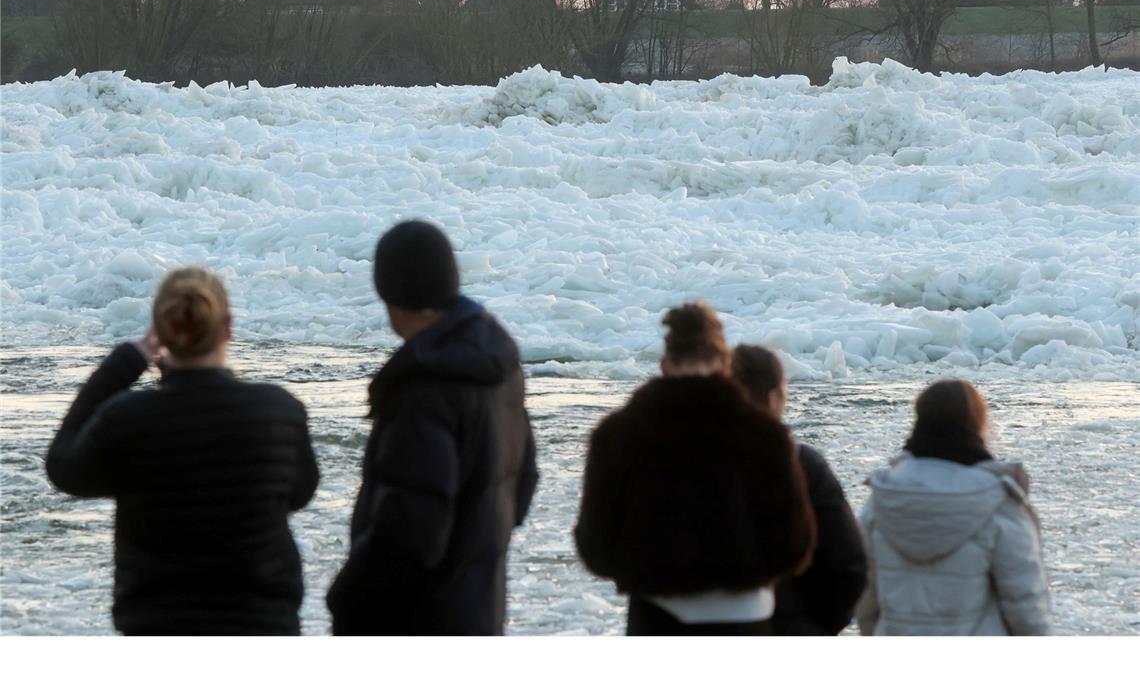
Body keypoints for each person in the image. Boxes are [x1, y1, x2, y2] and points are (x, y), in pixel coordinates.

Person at [46, 266, 319, 635]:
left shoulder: (127, 418)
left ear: (161, 331)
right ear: (228, 328)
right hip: (262, 620)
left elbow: (63, 467)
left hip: (157, 623)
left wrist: (132, 357)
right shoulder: (278, 411)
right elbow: (300, 493)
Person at [326, 220, 538, 635]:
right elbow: (524, 481)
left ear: (388, 292)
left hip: (417, 618)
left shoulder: (424, 389)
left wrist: (347, 599)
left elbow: (411, 533)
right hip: (479, 608)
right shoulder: (498, 366)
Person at [574, 302, 816, 635]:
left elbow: (596, 547)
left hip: (655, 612)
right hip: (745, 615)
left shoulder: (617, 434)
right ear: (725, 365)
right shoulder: (765, 435)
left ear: (664, 366)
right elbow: (794, 544)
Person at [855, 379, 1053, 635]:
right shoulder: (996, 501)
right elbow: (1026, 608)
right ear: (977, 422)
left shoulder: (884, 499)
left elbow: (866, 600)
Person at [732, 344, 867, 635]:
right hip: (789, 624)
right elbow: (848, 565)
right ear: (773, 397)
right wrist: (817, 626)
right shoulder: (802, 465)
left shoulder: (679, 462)